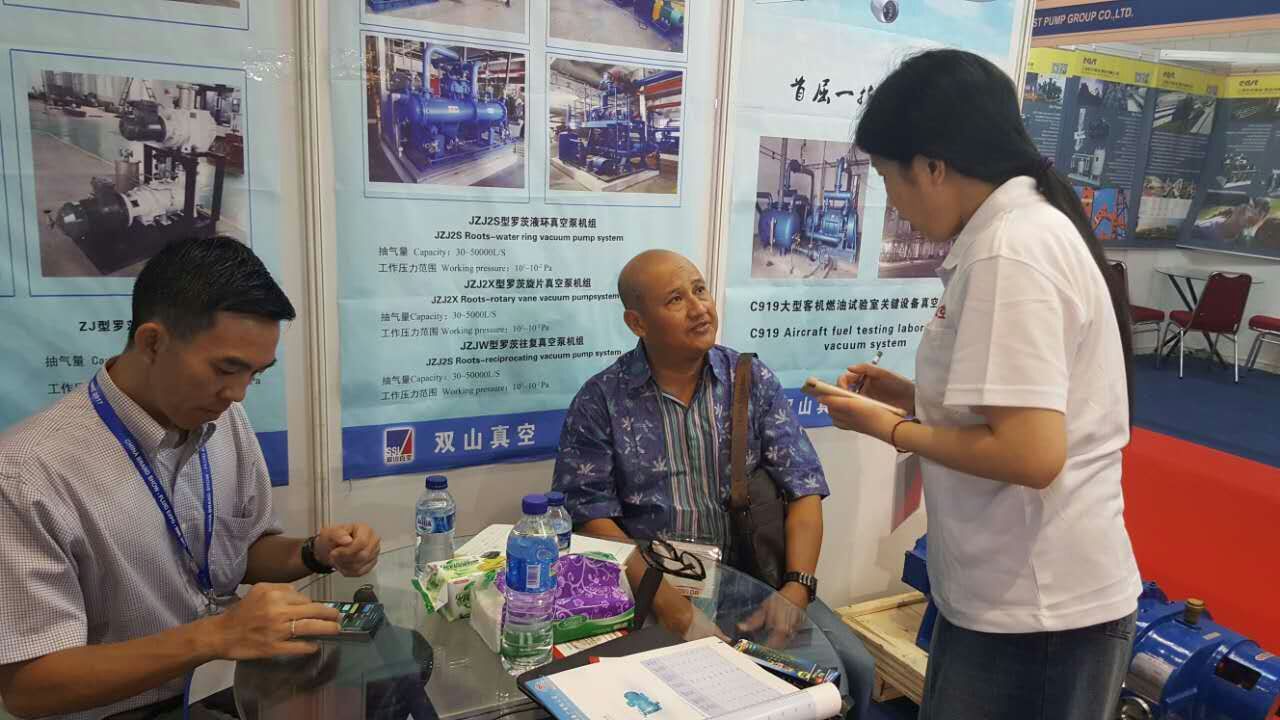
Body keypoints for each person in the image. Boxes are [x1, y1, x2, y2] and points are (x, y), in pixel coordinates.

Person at [815, 49, 1142, 720]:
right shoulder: (1014, 235)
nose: (892, 202)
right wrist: (911, 395)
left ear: (932, 167)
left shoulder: (1010, 250)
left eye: (888, 178)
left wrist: (890, 427)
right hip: (1010, 594)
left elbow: (1031, 454)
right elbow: (1020, 407)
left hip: (1040, 609)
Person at [0, 237, 382, 720]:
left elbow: (238, 554)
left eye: (255, 374)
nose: (238, 394)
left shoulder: (221, 417)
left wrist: (315, 552)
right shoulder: (27, 474)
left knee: (388, 686)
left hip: (229, 683)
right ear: (152, 342)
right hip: (126, 710)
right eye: (226, 368)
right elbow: (29, 688)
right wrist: (214, 637)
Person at [552, 249, 876, 720]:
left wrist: (796, 588)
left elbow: (804, 487)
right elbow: (589, 517)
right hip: (654, 585)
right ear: (637, 323)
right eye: (676, 300)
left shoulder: (750, 380)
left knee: (855, 672)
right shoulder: (601, 400)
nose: (699, 308)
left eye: (700, 290)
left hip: (754, 578)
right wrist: (671, 607)